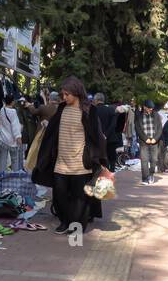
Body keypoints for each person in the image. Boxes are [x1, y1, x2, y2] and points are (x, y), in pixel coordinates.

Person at [31, 76, 111, 233]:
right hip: (61, 162)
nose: (64, 97)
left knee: (80, 197)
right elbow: (52, 133)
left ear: (76, 93)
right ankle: (65, 221)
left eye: (67, 94)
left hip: (81, 163)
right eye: (63, 94)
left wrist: (99, 158)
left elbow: (96, 136)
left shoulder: (89, 110)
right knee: (59, 195)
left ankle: (76, 224)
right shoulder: (61, 109)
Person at [93, 92, 122, 171]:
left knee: (100, 160)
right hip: (111, 139)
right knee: (112, 159)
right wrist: (106, 134)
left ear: (96, 100)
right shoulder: (111, 110)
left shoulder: (93, 111)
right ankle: (111, 175)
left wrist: (102, 135)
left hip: (98, 140)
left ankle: (101, 176)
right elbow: (113, 125)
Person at [135, 99, 162, 184]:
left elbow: (160, 129)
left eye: (152, 108)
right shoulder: (139, 116)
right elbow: (138, 128)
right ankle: (145, 178)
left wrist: (155, 138)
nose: (151, 109)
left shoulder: (156, 115)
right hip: (144, 141)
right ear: (144, 107)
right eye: (149, 108)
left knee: (154, 159)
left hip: (154, 141)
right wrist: (145, 138)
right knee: (144, 160)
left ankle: (151, 174)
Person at [0, 97, 24, 172]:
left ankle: (1, 177)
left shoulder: (2, 110)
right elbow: (15, 126)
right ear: (12, 102)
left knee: (2, 160)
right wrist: (18, 137)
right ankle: (15, 177)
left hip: (2, 139)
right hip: (12, 140)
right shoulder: (13, 112)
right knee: (14, 160)